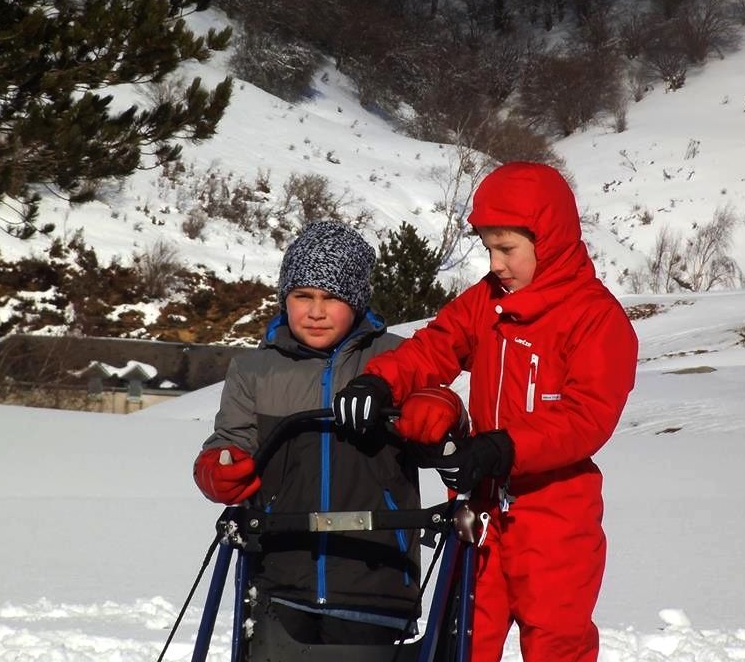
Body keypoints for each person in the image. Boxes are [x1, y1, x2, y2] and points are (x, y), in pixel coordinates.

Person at [333, 162, 639, 662]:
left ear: (551, 240)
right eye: (488, 248)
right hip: (479, 509)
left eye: (508, 249)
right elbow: (436, 347)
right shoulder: (486, 302)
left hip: (556, 516)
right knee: (462, 639)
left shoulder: (595, 318)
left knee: (557, 642)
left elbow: (588, 417)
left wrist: (505, 447)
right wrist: (380, 380)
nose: (496, 263)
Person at [192, 220, 464, 654]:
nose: (315, 311)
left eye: (331, 298)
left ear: (356, 302)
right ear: (285, 299)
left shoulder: (396, 357)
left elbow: (444, 425)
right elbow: (230, 441)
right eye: (303, 296)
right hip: (279, 575)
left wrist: (441, 412)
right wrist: (216, 468)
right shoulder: (255, 370)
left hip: (374, 574)